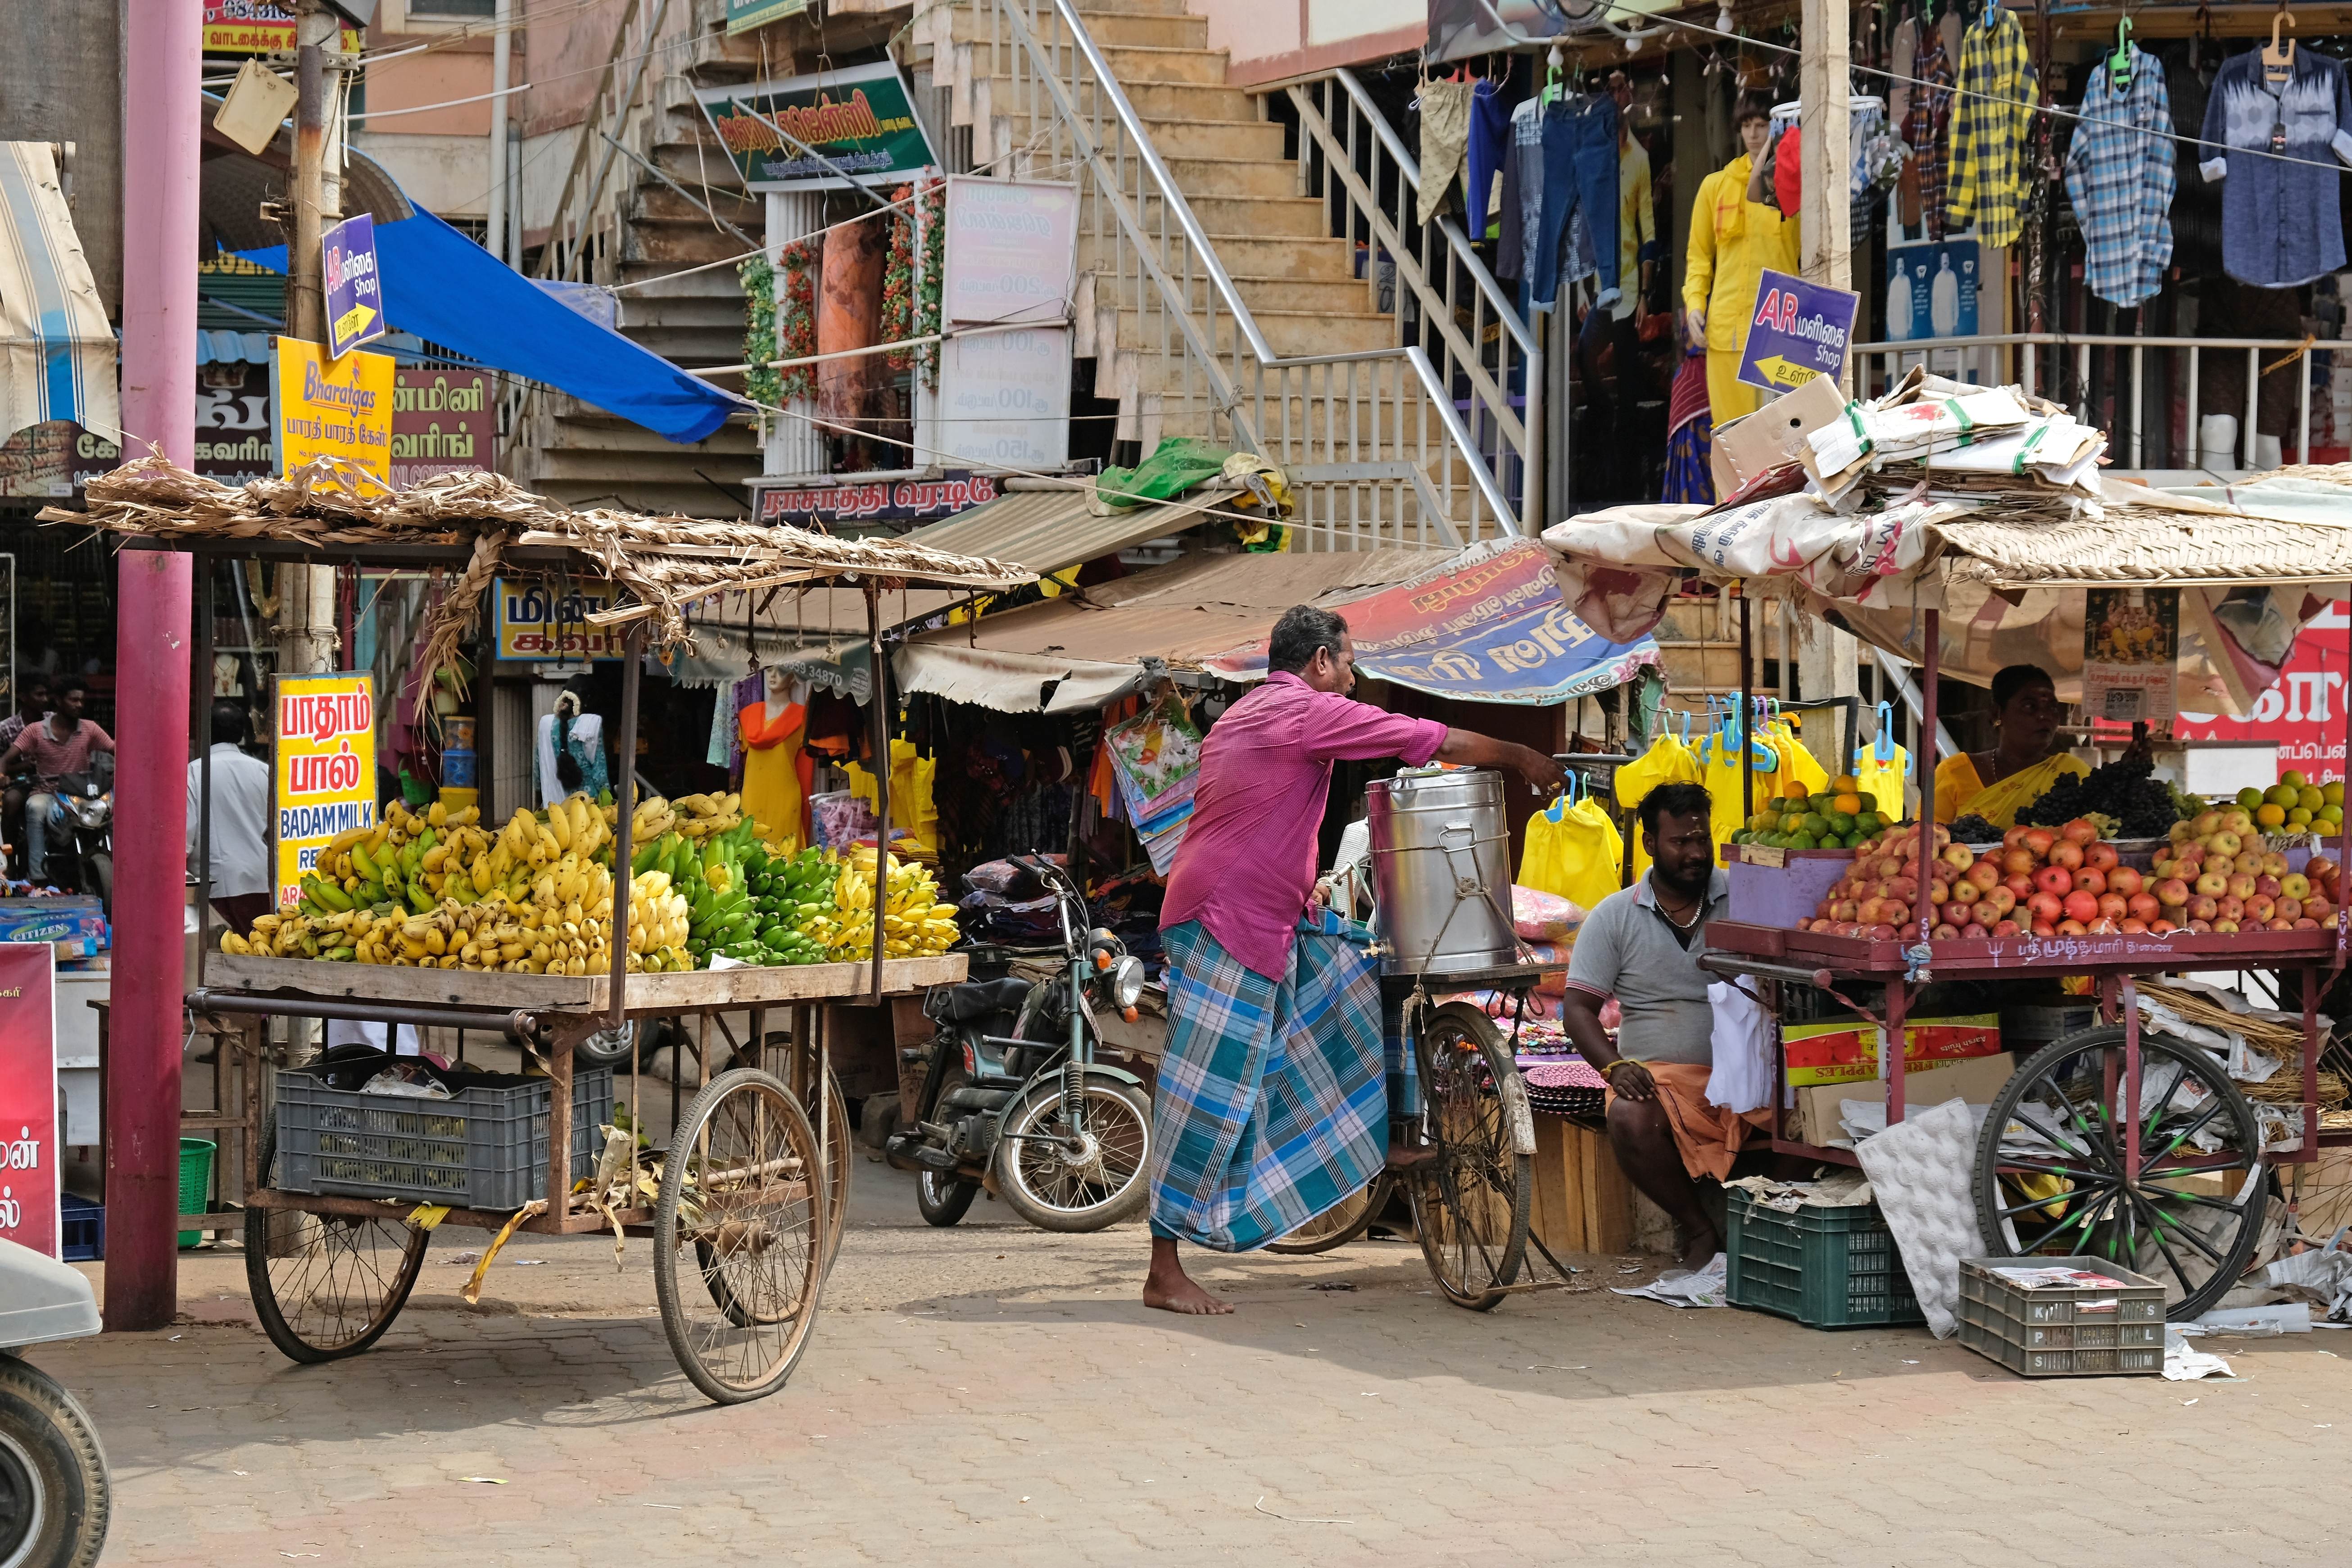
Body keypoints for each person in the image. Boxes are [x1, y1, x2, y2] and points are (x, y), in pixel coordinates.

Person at [1143, 605, 1566, 1315]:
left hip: (1266, 913)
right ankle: (1163, 1267)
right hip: (1223, 917)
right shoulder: (1300, 712)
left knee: (1358, 981)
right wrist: (1523, 758)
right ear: (1317, 662)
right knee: (1208, 1094)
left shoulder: (1248, 713)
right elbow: (1427, 739)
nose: (1350, 675)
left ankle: (1376, 1141)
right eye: (1345, 662)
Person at [1557, 781, 1762, 1271]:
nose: (1695, 852)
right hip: (1660, 1078)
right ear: (1650, 843)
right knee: (1628, 1115)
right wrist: (1615, 1067)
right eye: (1680, 842)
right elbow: (1578, 1008)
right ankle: (1698, 1228)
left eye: (1702, 840)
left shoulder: (1747, 898)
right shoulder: (1614, 915)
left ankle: (1758, 1232)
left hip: (1748, 1078)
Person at [1681, 95, 1799, 430]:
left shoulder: (1792, 190)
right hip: (1724, 335)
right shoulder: (1714, 186)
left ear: (1775, 129)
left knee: (1779, 440)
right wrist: (1694, 305)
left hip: (1778, 333)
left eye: (1762, 126)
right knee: (1730, 437)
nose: (1753, 134)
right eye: (1747, 125)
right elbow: (1698, 257)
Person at [1933, 663, 2147, 828]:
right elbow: (1927, 842)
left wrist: (2126, 775)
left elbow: (2103, 822)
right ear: (1997, 714)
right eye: (2030, 706)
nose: (2044, 716)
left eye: (2052, 707)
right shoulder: (1955, 773)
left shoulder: (2071, 772)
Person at [0, 679, 113, 885]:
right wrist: (2, 775)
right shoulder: (35, 731)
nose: (79, 705)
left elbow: (117, 750)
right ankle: (37, 874)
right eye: (73, 700)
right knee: (34, 808)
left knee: (111, 812)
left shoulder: (90, 728)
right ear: (59, 702)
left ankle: (115, 863)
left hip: (81, 792)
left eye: (82, 701)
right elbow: (6, 759)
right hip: (47, 791)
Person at [186, 700, 274, 937]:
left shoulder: (194, 772)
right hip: (264, 881)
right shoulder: (263, 771)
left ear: (204, 732)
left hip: (220, 887)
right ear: (243, 733)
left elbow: (185, 836)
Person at [0, 676, 51, 877]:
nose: (45, 699)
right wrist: (23, 767)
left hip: (55, 780)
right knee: (11, 801)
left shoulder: (54, 720)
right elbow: (3, 761)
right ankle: (12, 862)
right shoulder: (6, 728)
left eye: (47, 694)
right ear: (23, 697)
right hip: (24, 782)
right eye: (39, 694)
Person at [536, 675, 610, 806]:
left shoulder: (545, 724)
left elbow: (538, 766)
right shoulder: (591, 724)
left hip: (554, 801)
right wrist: (607, 797)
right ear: (588, 700)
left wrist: (539, 796)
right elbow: (600, 771)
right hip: (588, 802)